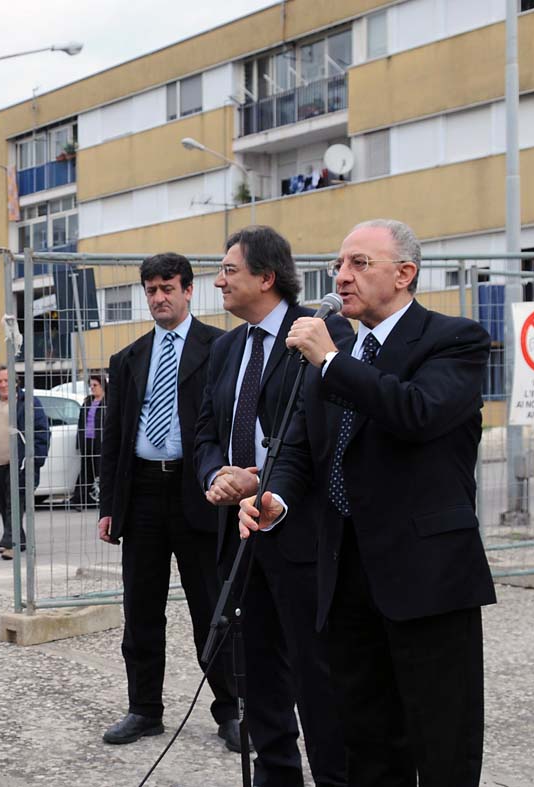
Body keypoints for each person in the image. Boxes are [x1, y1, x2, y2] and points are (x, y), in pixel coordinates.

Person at [239, 219, 495, 786]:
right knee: (368, 742)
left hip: (426, 579)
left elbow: (416, 412)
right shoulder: (337, 353)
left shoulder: (453, 339)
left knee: (443, 744)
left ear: (404, 274)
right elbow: (299, 446)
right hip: (345, 576)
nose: (341, 276)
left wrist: (332, 363)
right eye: (338, 264)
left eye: (359, 263)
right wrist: (275, 496)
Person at [194, 226, 350, 786]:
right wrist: (217, 474)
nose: (219, 281)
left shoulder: (318, 330)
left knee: (314, 669)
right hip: (238, 534)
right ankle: (276, 772)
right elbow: (206, 430)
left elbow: (321, 432)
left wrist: (261, 481)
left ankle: (334, 775)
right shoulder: (226, 347)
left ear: (266, 277)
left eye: (229, 270)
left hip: (300, 529)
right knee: (255, 664)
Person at [96, 252, 241, 750]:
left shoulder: (220, 348)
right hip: (142, 495)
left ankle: (231, 710)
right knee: (141, 609)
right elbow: (114, 439)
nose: (158, 298)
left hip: (200, 491)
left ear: (188, 290)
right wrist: (109, 507)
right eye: (151, 290)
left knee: (212, 606)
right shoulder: (128, 359)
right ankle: (144, 709)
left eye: (167, 288)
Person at [0, 364, 49, 560]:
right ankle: (19, 540)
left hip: (19, 464)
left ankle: (9, 544)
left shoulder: (27, 401)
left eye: (7, 380)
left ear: (16, 381)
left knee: (14, 503)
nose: (3, 384)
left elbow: (41, 431)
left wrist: (36, 459)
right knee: (5, 502)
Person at [72, 373, 107, 508]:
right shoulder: (87, 402)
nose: (92, 388)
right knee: (86, 470)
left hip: (102, 443)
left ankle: (104, 499)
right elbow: (81, 423)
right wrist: (79, 442)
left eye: (95, 385)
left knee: (102, 470)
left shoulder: (108, 403)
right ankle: (79, 498)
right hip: (88, 442)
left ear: (102, 385)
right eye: (90, 385)